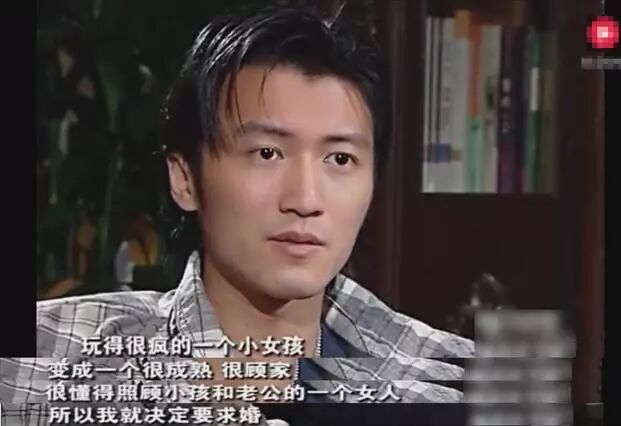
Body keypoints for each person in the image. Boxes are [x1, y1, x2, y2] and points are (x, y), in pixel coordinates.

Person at [4, 6, 473, 425]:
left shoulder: (453, 384)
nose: (306, 198)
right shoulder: (52, 359)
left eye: (340, 159)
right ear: (185, 179)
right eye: (267, 153)